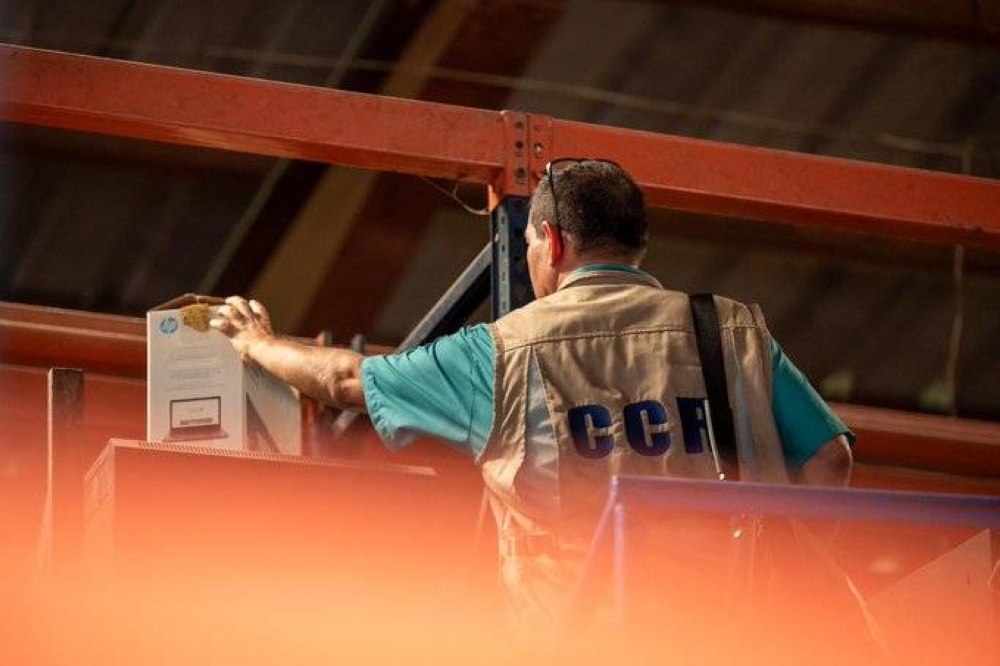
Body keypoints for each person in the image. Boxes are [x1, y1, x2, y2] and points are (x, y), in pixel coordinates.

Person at [210, 159, 853, 631]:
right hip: (733, 638)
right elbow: (830, 459)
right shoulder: (731, 329)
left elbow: (347, 380)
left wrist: (256, 343)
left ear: (552, 241)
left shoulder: (500, 351)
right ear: (636, 243)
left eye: (527, 247)